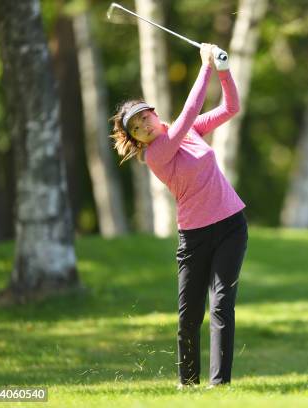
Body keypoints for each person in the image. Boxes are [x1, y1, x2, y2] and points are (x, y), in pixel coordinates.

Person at [109, 43, 248, 389]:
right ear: (136, 139)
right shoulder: (156, 153)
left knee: (222, 306)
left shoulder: (189, 135)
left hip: (231, 225)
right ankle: (188, 384)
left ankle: (220, 385)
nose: (144, 125)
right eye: (137, 127)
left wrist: (223, 69)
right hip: (195, 237)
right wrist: (205, 67)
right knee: (189, 316)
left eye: (145, 116)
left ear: (154, 114)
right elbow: (187, 114)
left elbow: (231, 107)